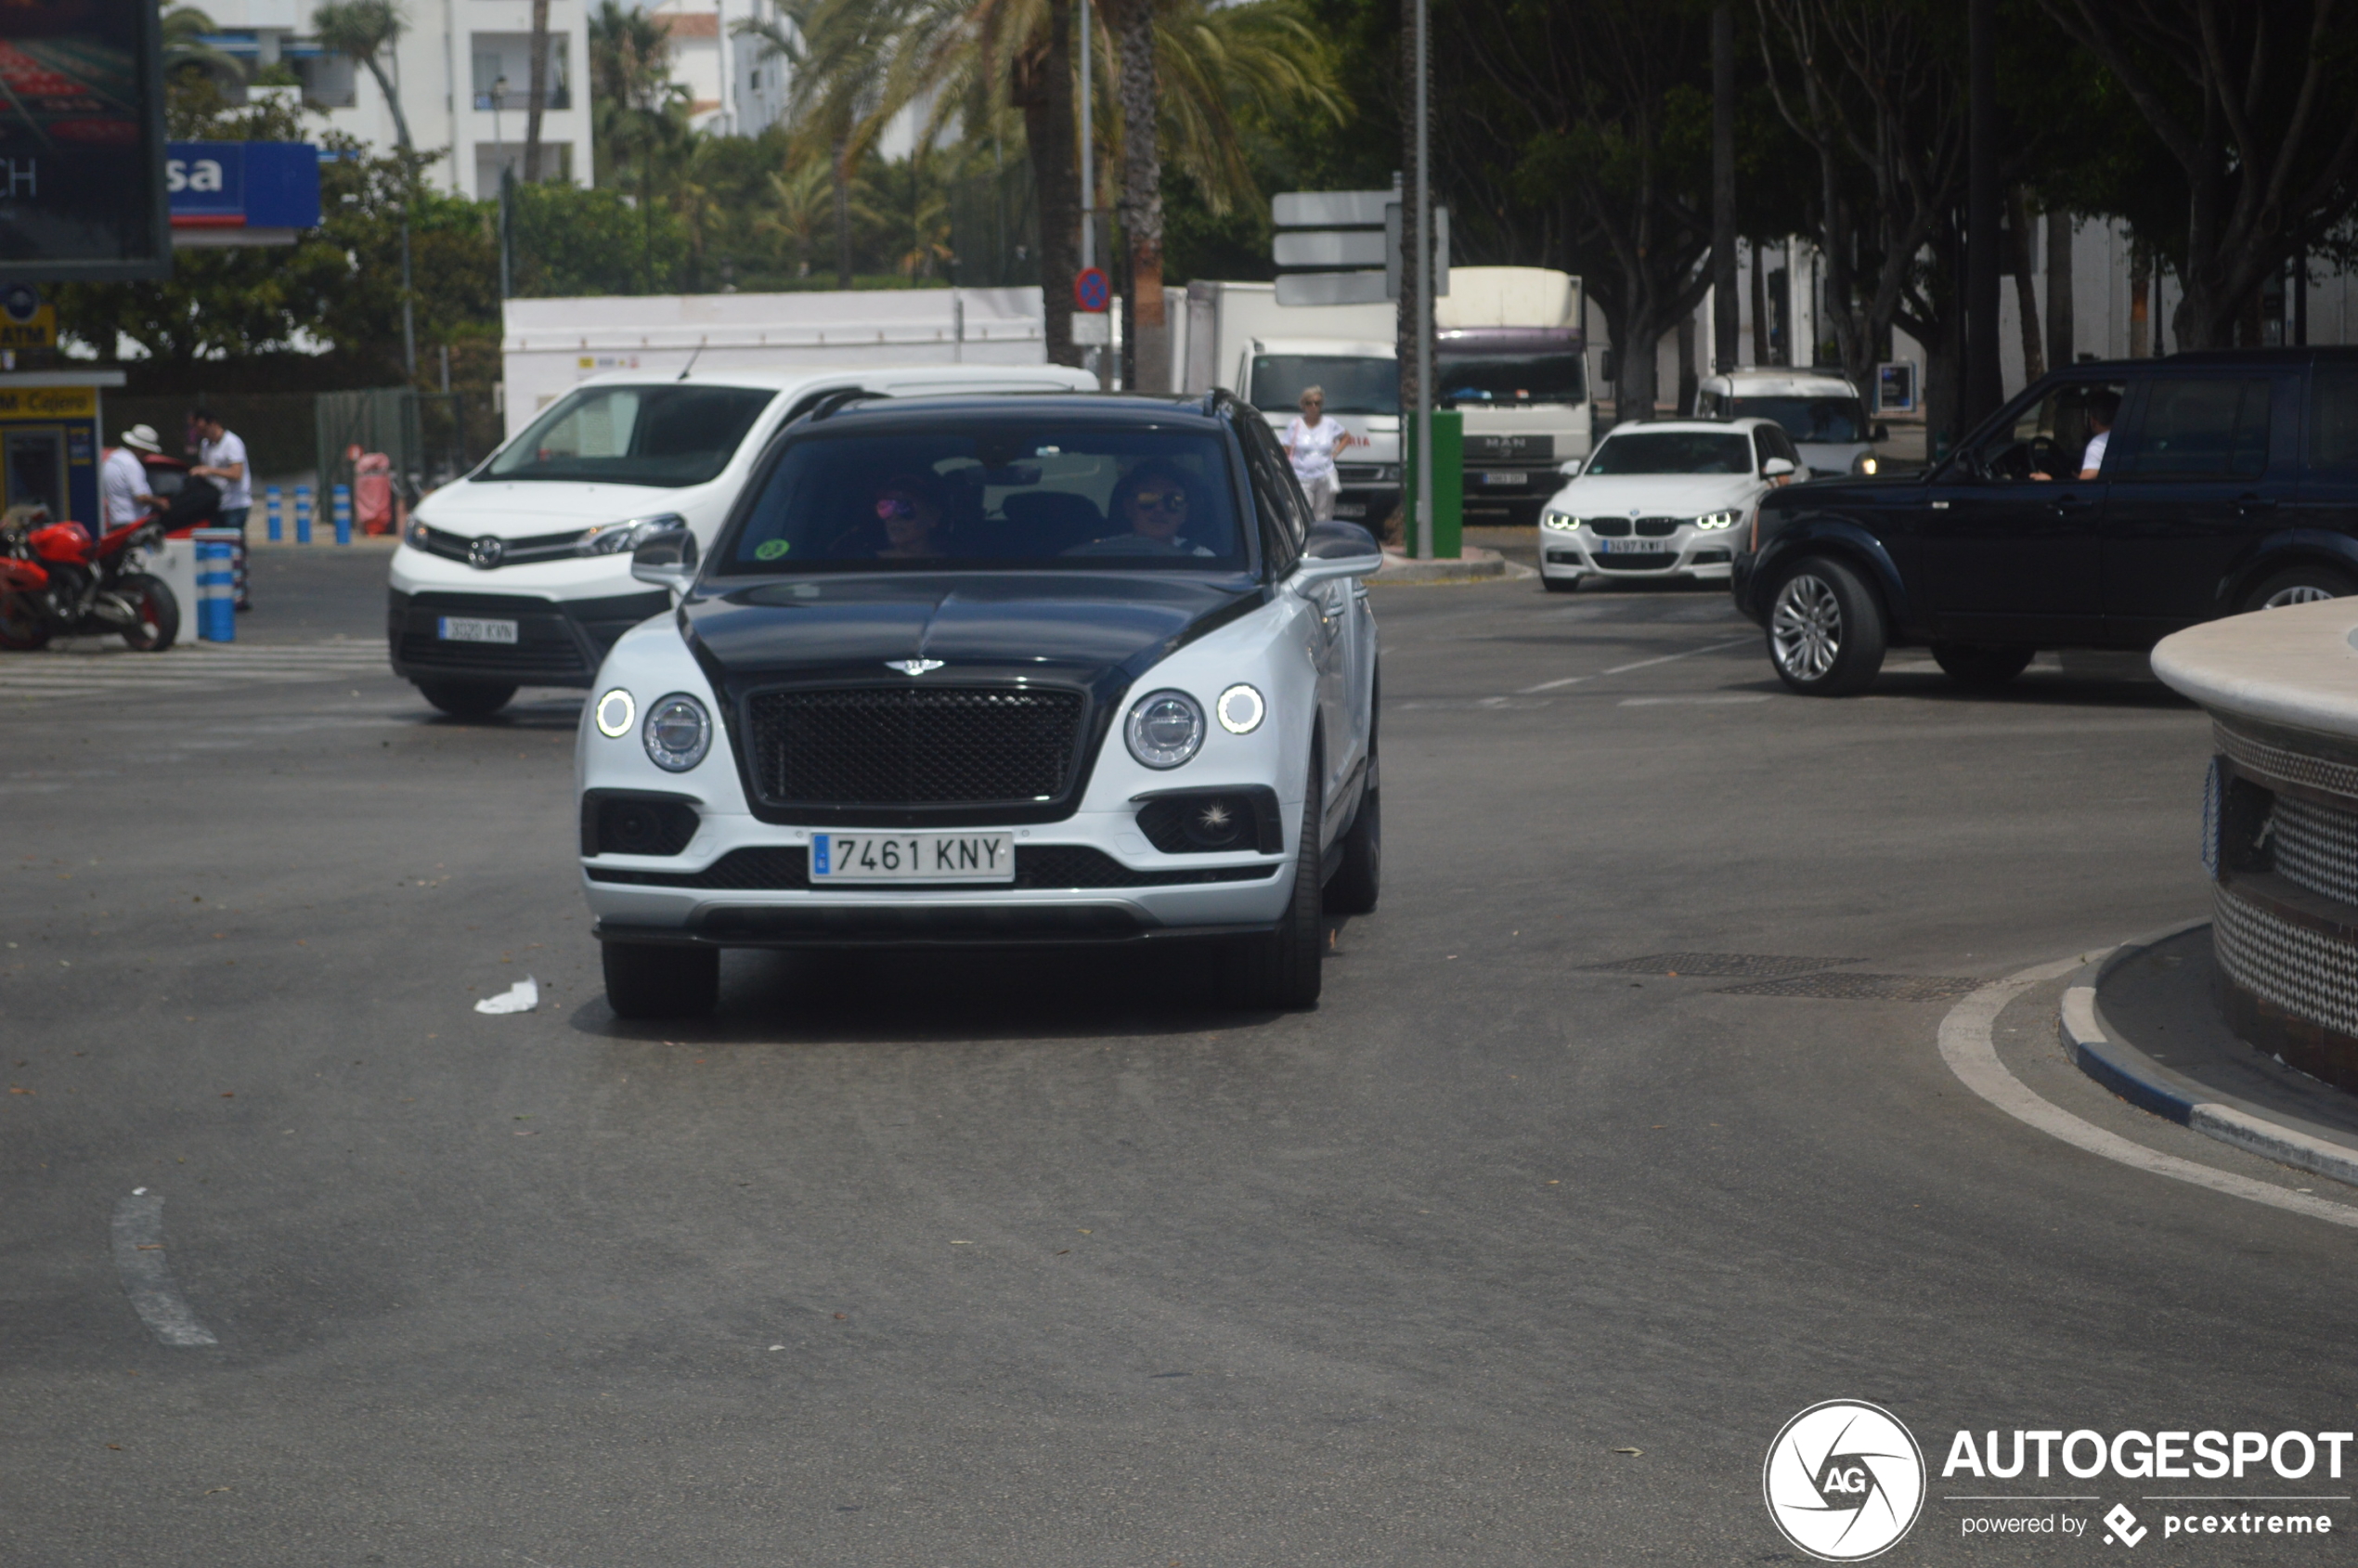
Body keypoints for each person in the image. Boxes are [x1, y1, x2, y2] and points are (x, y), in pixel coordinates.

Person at [190, 407, 253, 610]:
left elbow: (237, 473)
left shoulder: (232, 443)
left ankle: (240, 595)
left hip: (236, 503)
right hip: (217, 503)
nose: (202, 433)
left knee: (234, 550)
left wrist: (210, 470)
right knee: (218, 549)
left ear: (213, 423)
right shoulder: (206, 445)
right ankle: (224, 594)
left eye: (203, 428)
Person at [1282, 386, 1356, 523]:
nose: (1313, 406)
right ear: (1303, 405)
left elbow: (1346, 437)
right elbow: (1285, 448)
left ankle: (1322, 541)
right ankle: (1304, 541)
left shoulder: (1329, 423)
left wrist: (1335, 453)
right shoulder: (1295, 424)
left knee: (1323, 515)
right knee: (1303, 513)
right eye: (1310, 403)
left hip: (1324, 476)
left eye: (1317, 403)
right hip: (1302, 476)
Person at [1116, 460, 1216, 556]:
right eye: (1148, 498)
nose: (1160, 509)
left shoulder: (1201, 559)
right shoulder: (1107, 552)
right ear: (1129, 507)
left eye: (1173, 500)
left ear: (1184, 513)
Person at [871, 474, 946, 558]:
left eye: (905, 507)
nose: (894, 516)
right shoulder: (865, 565)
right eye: (886, 506)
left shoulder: (954, 566)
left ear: (933, 517)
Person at [102, 424, 161, 529]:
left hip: (115, 522)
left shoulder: (113, 459)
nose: (148, 455)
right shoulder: (132, 464)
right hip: (133, 524)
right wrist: (160, 503)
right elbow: (141, 496)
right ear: (141, 448)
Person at [2078, 390, 2119, 480]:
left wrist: (2048, 481)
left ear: (2093, 421)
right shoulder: (2134, 438)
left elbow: (2083, 488)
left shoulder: (2098, 445)